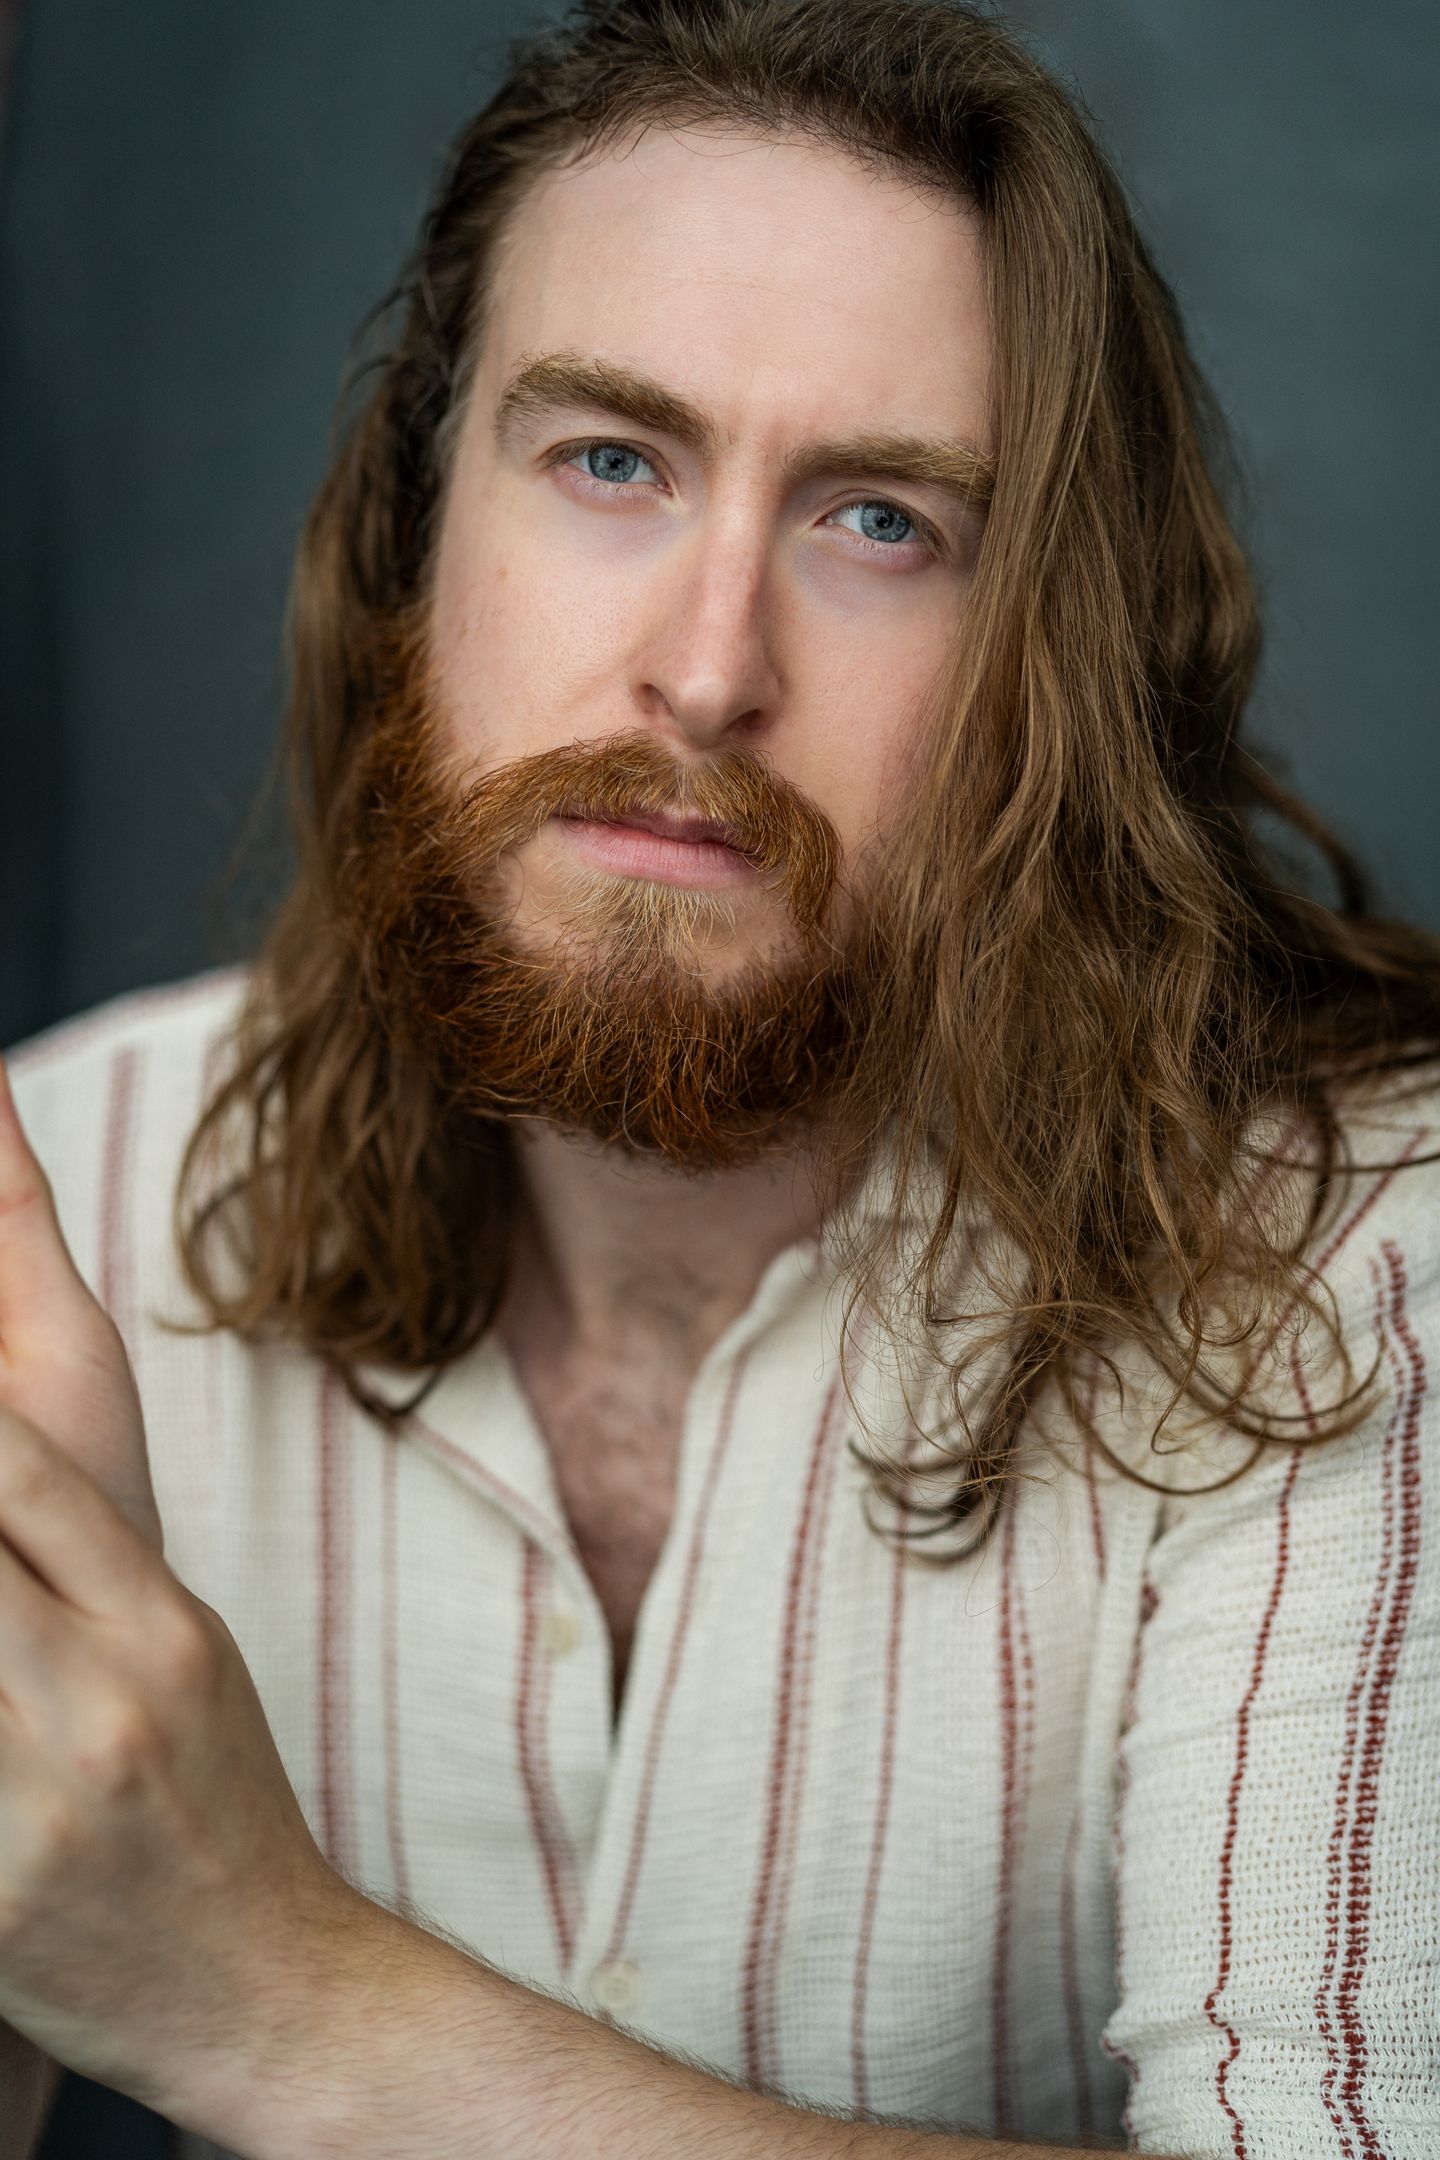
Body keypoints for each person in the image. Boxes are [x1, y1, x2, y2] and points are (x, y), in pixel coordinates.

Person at [2, 0, 1438, 2152]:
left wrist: (270, 1997)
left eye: (880, 521)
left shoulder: (1358, 1261)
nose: (705, 669)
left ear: (1052, 657)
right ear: (411, 537)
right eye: (612, 462)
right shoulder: (72, 1192)